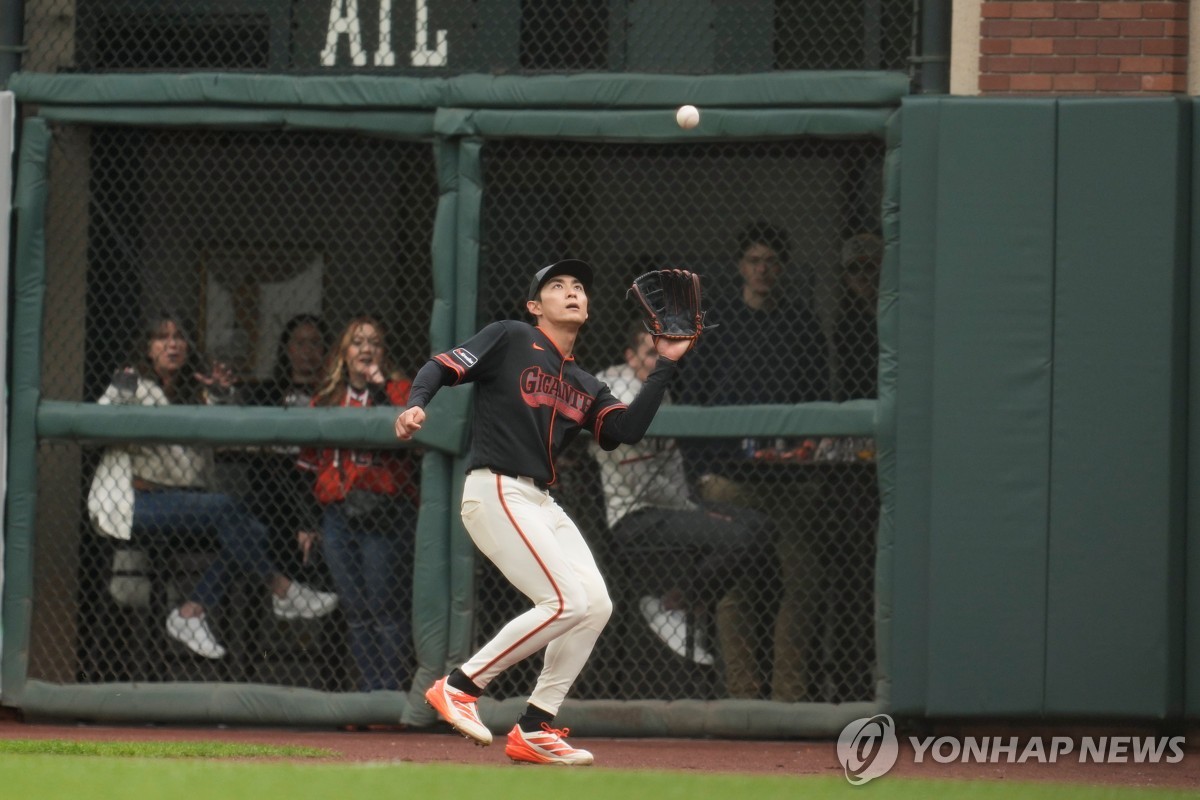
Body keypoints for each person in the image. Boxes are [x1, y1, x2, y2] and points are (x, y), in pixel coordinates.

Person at [394, 259, 694, 766]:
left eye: (580, 286)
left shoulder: (585, 382)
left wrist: (665, 364)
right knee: (565, 602)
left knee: (594, 604)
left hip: (539, 500)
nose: (573, 291)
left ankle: (535, 726)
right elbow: (442, 365)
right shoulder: (511, 336)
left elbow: (624, 433)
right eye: (558, 286)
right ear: (536, 306)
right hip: (495, 489)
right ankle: (461, 686)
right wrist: (416, 402)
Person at [86, 313, 338, 660]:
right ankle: (281, 588)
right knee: (226, 509)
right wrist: (120, 390)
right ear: (147, 348)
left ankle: (192, 611)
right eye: (162, 337)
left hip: (185, 501)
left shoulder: (195, 390)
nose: (172, 344)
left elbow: (232, 427)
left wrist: (221, 395)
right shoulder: (133, 381)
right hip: (138, 500)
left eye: (179, 337)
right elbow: (98, 421)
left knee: (254, 531)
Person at [677, 222, 831, 702]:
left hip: (787, 477)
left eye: (771, 261)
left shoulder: (801, 326)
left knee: (803, 579)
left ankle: (790, 694)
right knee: (734, 587)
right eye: (754, 260)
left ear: (781, 268)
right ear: (741, 267)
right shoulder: (716, 326)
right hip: (730, 477)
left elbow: (819, 399)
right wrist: (702, 470)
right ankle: (744, 695)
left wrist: (809, 464)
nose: (763, 269)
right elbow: (693, 399)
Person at [589, 324, 774, 688]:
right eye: (646, 353)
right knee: (740, 539)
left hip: (673, 505)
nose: (653, 361)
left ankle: (685, 602)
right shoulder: (618, 389)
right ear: (630, 358)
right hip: (636, 515)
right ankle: (678, 604)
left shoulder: (660, 390)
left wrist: (695, 506)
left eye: (660, 355)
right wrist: (697, 511)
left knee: (763, 528)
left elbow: (671, 471)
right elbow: (637, 478)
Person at [297, 315, 420, 692]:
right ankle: (370, 692)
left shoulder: (400, 391)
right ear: (343, 353)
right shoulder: (327, 398)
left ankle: (392, 693)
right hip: (337, 513)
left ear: (384, 352)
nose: (366, 349)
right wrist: (308, 523)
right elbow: (307, 467)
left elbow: (407, 442)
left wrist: (380, 387)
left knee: (385, 609)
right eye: (357, 342)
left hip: (384, 511)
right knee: (356, 612)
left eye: (374, 342)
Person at [241, 314, 332, 586]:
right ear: (287, 349)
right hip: (275, 488)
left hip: (318, 483)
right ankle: (288, 586)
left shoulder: (333, 393)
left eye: (315, 343)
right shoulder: (266, 393)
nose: (308, 351)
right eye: (300, 343)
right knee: (270, 486)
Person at [834, 233, 882, 401]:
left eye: (868, 266)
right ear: (846, 278)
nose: (861, 275)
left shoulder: (899, 318)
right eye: (854, 269)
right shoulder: (847, 326)